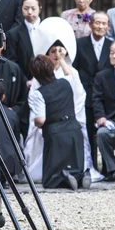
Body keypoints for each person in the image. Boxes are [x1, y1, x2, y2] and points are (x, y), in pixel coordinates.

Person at [26, 17, 102, 183]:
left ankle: (76, 173)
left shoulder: (71, 72)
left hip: (70, 116)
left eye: (60, 51)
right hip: (48, 120)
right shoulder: (40, 73)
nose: (56, 55)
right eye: (52, 51)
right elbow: (35, 101)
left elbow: (79, 96)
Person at [27, 55, 88, 190]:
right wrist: (61, 60)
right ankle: (80, 176)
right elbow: (70, 73)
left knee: (49, 180)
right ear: (52, 68)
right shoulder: (66, 82)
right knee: (75, 164)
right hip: (74, 130)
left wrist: (37, 123)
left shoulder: (39, 93)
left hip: (55, 134)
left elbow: (40, 120)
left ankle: (65, 178)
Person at [72, 11, 112, 167]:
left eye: (104, 23)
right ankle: (91, 166)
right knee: (88, 132)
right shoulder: (79, 44)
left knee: (104, 133)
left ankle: (108, 168)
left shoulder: (112, 46)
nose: (100, 26)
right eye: (97, 23)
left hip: (105, 96)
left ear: (108, 27)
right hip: (86, 94)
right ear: (90, 24)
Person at [93, 41, 115, 182]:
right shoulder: (102, 76)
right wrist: (100, 116)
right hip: (111, 120)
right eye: (112, 53)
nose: (114, 56)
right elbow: (97, 99)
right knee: (102, 134)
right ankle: (113, 169)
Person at [6, 0, 42, 80]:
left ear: (40, 8)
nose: (29, 12)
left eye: (33, 8)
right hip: (23, 82)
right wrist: (24, 81)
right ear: (21, 9)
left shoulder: (48, 29)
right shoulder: (13, 34)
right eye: (26, 8)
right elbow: (12, 63)